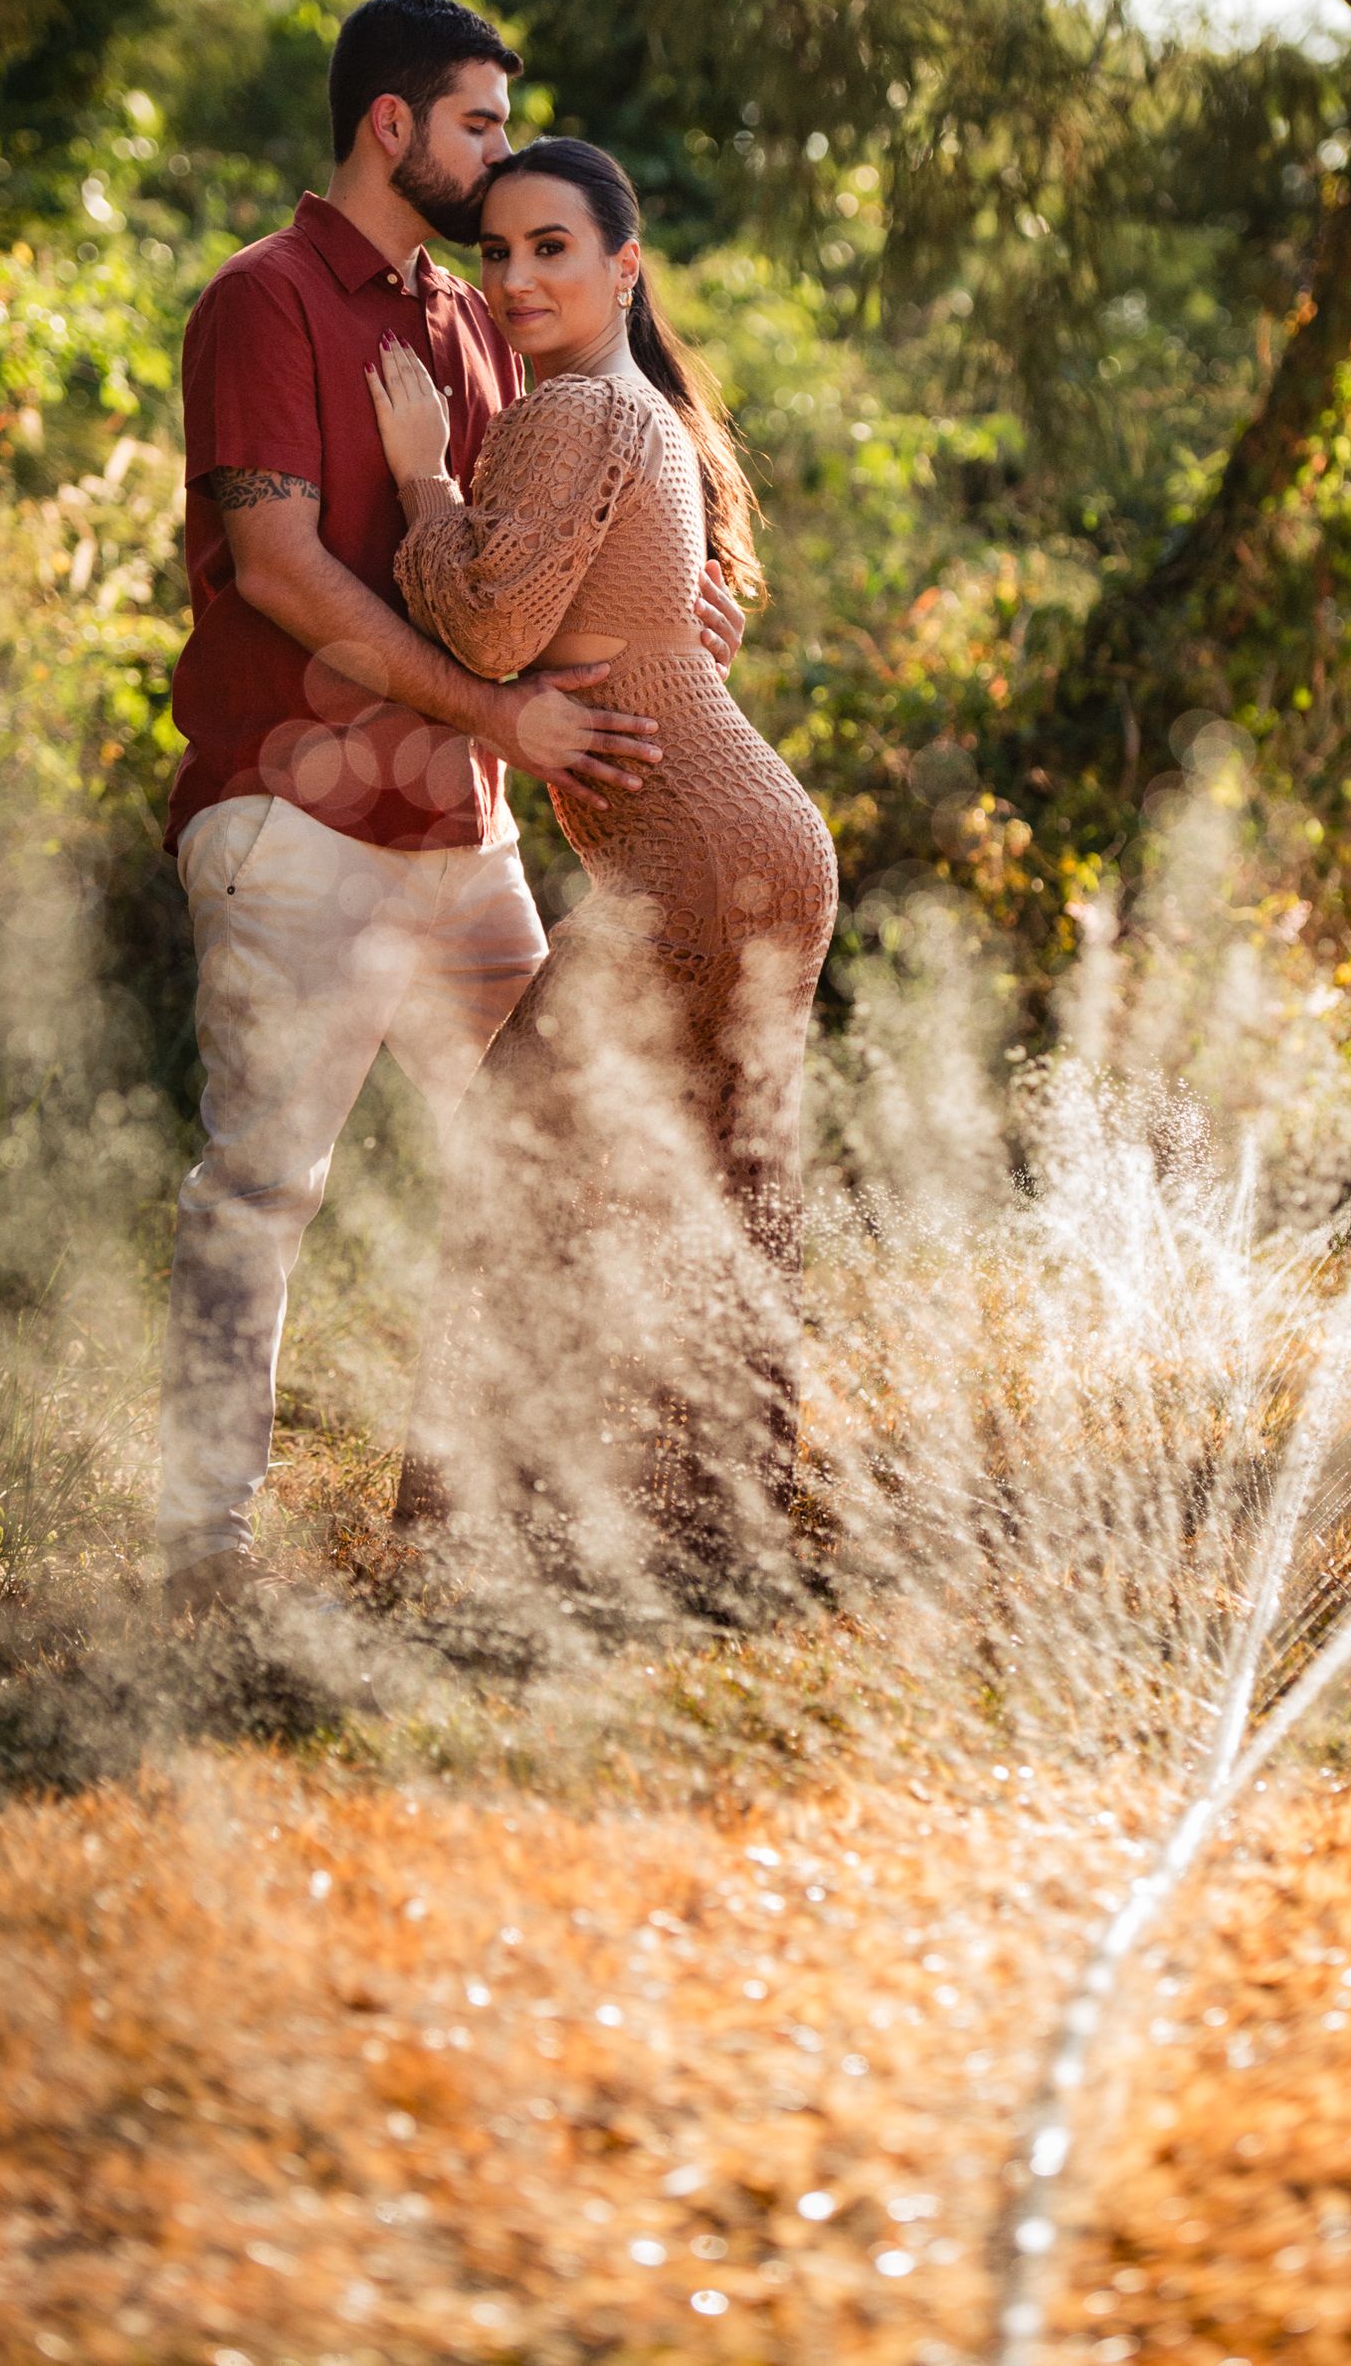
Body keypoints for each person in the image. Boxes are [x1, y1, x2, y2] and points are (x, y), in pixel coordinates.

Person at [158, 0, 746, 1619]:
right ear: (393, 126)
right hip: (291, 821)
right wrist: (502, 711)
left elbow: (518, 565)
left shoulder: (478, 321)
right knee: (265, 1186)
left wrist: (669, 607)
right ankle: (202, 1547)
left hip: (460, 837)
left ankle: (559, 1503)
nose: (501, 156)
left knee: (556, 1152)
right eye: (482, 123)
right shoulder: (261, 301)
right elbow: (281, 570)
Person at [369, 137, 838, 1615]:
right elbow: (647, 624)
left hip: (696, 860)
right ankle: (732, 1525)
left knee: (522, 1156)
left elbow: (496, 629)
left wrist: (421, 483)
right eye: (494, 252)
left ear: (621, 266)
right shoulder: (633, 409)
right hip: (762, 845)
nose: (513, 278)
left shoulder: (571, 409)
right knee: (719, 1173)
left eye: (548, 248)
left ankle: (489, 1524)